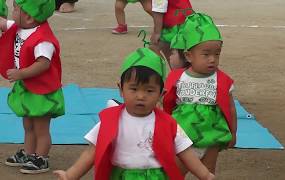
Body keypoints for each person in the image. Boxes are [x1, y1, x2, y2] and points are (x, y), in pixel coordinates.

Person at [53, 47, 215, 180]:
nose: (141, 96)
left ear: (161, 94)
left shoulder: (168, 123)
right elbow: (91, 152)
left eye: (149, 90)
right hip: (121, 175)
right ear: (120, 89)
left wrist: (205, 175)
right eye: (134, 88)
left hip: (156, 177)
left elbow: (185, 152)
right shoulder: (110, 120)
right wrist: (70, 175)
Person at [163, 13, 238, 176]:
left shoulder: (223, 80)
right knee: (175, 174)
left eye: (217, 54)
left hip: (212, 136)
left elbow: (231, 108)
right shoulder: (177, 77)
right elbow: (167, 103)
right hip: (183, 138)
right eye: (206, 54)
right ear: (189, 56)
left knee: (208, 173)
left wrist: (233, 133)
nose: (212, 59)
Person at [0, 0, 65, 174]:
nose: (13, 12)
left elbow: (43, 64)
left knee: (41, 128)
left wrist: (21, 73)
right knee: (28, 124)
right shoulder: (22, 27)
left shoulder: (43, 39)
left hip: (42, 92)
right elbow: (3, 23)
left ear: (28, 16)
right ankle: (29, 153)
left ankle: (41, 158)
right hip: (29, 89)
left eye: (15, 9)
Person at [150, 0, 193, 67]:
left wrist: (156, 32)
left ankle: (177, 74)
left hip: (172, 28)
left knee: (176, 62)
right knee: (187, 60)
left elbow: (158, 10)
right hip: (188, 23)